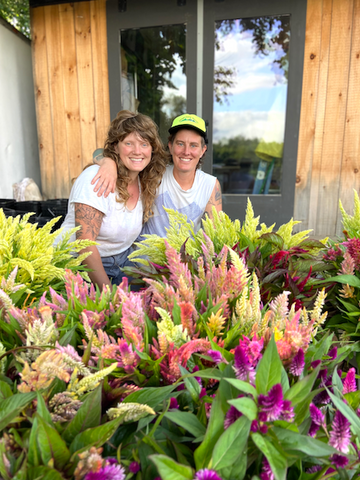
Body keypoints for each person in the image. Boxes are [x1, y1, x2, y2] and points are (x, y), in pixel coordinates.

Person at [57, 110, 167, 289]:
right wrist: (108, 294)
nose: (137, 151)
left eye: (144, 144)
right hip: (80, 264)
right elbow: (84, 246)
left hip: (121, 262)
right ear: (115, 147)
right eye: (129, 143)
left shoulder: (143, 181)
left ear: (152, 149)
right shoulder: (97, 178)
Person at [91, 113, 222, 238]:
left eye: (193, 145)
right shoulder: (154, 172)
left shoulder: (210, 184)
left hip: (184, 259)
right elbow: (100, 152)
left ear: (202, 150)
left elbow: (216, 234)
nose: (186, 152)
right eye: (180, 144)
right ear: (170, 147)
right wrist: (108, 162)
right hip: (144, 258)